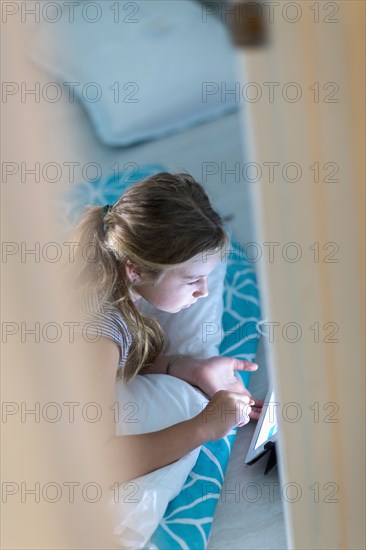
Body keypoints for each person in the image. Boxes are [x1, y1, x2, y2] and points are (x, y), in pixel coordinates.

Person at [67, 171, 262, 483]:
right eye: (191, 280)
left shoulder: (111, 274)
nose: (204, 292)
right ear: (136, 270)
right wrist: (204, 426)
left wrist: (190, 368)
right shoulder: (100, 331)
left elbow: (117, 360)